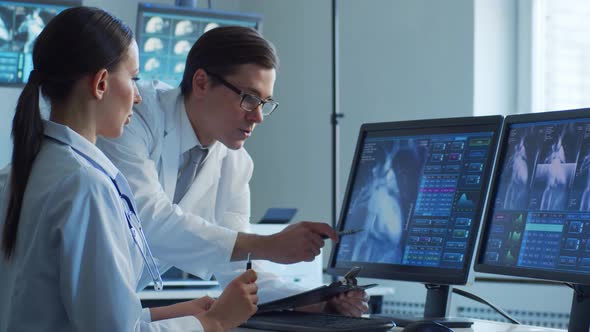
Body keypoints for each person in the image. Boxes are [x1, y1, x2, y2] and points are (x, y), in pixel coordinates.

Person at [0, 7, 259, 331]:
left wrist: (179, 313)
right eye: (134, 78)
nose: (138, 97)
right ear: (101, 84)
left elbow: (76, 314)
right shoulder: (87, 186)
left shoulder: (21, 172)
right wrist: (216, 322)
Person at [97, 26, 369, 316]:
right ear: (201, 83)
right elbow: (146, 220)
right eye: (249, 98)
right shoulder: (135, 117)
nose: (258, 116)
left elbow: (242, 268)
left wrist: (318, 302)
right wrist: (268, 244)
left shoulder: (235, 163)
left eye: (264, 103)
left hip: (111, 307)